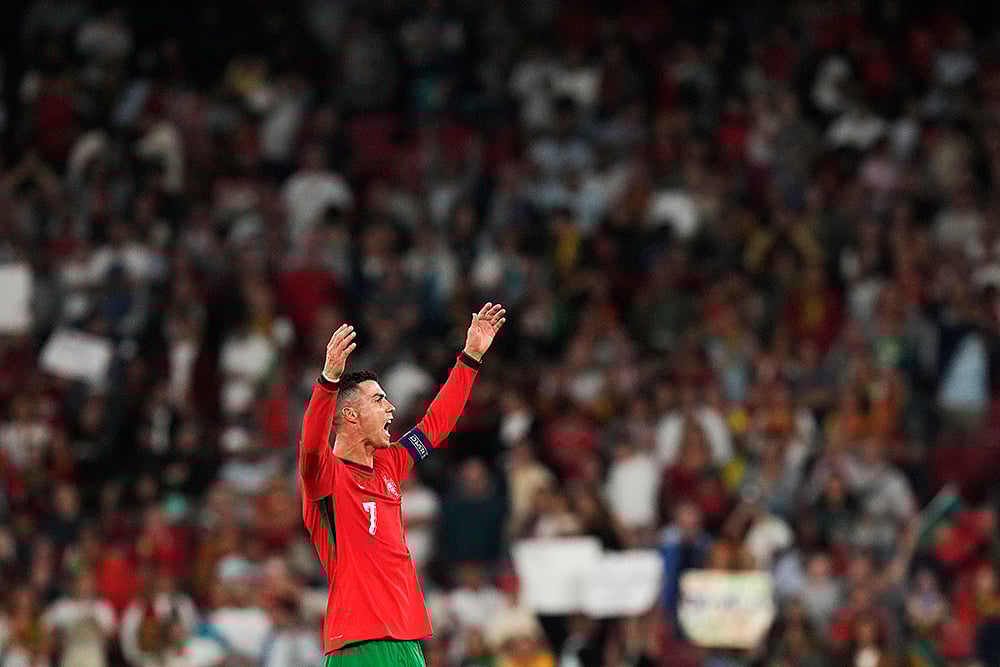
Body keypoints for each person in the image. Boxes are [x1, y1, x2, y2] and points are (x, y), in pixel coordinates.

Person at [299, 302, 506, 665]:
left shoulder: (390, 464)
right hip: (360, 640)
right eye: (379, 400)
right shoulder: (326, 475)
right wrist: (328, 380)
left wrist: (471, 356)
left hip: (406, 637)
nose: (391, 408)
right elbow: (312, 445)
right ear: (349, 415)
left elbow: (435, 425)